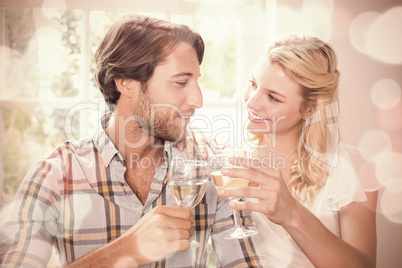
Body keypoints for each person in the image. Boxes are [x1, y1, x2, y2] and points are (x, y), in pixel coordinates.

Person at [0, 14, 269, 267]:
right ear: (126, 83)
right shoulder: (56, 175)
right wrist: (126, 251)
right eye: (180, 82)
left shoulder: (209, 168)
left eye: (196, 81)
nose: (197, 100)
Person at [188, 34, 390, 267]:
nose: (251, 102)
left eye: (273, 97)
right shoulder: (232, 164)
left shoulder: (353, 167)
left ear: (309, 109)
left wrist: (292, 214)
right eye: (253, 83)